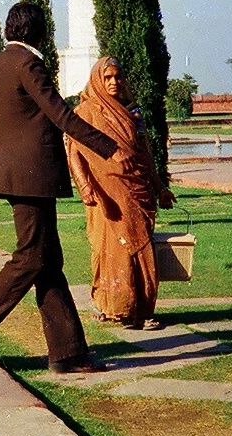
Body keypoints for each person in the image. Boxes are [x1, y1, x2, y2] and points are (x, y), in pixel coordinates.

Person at [0, 3, 132, 374]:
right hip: (32, 177)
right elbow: (61, 115)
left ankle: (68, 353)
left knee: (49, 262)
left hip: (10, 175)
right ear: (40, 32)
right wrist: (109, 147)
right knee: (32, 258)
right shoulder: (29, 65)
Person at [66, 57, 175, 330]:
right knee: (109, 248)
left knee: (141, 248)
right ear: (97, 81)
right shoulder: (85, 112)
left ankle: (142, 309)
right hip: (106, 193)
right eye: (108, 78)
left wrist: (160, 187)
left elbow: (144, 153)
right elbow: (74, 152)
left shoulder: (132, 112)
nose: (114, 82)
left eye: (117, 77)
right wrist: (85, 186)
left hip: (135, 190)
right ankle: (112, 307)